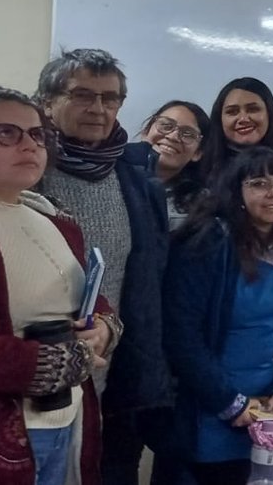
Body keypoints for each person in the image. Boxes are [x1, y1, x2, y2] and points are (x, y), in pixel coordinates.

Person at [0, 87, 121, 485]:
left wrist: (103, 327)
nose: (29, 145)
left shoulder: (54, 218)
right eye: (6, 133)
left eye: (38, 134)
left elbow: (85, 296)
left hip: (68, 418)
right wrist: (59, 363)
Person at [34, 48, 172, 485]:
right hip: (37, 380)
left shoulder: (138, 181)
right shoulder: (26, 172)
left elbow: (148, 284)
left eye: (110, 98)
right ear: (47, 102)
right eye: (82, 95)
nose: (98, 108)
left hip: (117, 379)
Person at [163, 146, 273, 485]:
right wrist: (229, 403)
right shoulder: (206, 243)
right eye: (259, 183)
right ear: (236, 192)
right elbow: (182, 335)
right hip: (209, 403)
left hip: (269, 407)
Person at [200, 77, 273, 184]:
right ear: (219, 119)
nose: (243, 119)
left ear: (270, 114)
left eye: (253, 109)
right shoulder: (200, 171)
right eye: (232, 112)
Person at [127, 100, 211, 231]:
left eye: (187, 134)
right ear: (146, 131)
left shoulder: (201, 206)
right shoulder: (111, 174)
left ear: (198, 153)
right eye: (166, 125)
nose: (173, 136)